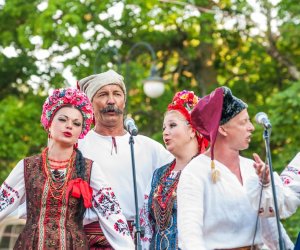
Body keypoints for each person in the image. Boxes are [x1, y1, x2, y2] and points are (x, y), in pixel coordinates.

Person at [0, 88, 134, 249]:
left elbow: (112, 214)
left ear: (81, 131)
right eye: (63, 120)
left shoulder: (89, 168)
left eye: (76, 123)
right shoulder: (27, 166)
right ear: (49, 123)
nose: (69, 126)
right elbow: (2, 203)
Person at [177, 86, 295, 250]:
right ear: (223, 128)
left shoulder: (251, 168)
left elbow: (269, 226)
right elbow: (190, 237)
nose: (251, 127)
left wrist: (289, 248)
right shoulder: (195, 173)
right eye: (244, 122)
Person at [77, 69, 173, 248]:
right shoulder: (79, 147)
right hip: (93, 241)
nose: (111, 100)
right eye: (103, 94)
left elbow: (180, 174)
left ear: (124, 101)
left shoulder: (148, 147)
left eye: (117, 94)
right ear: (90, 103)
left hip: (141, 240)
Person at [139, 90, 208, 249]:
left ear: (192, 130)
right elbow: (147, 225)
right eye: (164, 127)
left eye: (172, 125)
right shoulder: (159, 174)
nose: (165, 132)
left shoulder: (205, 170)